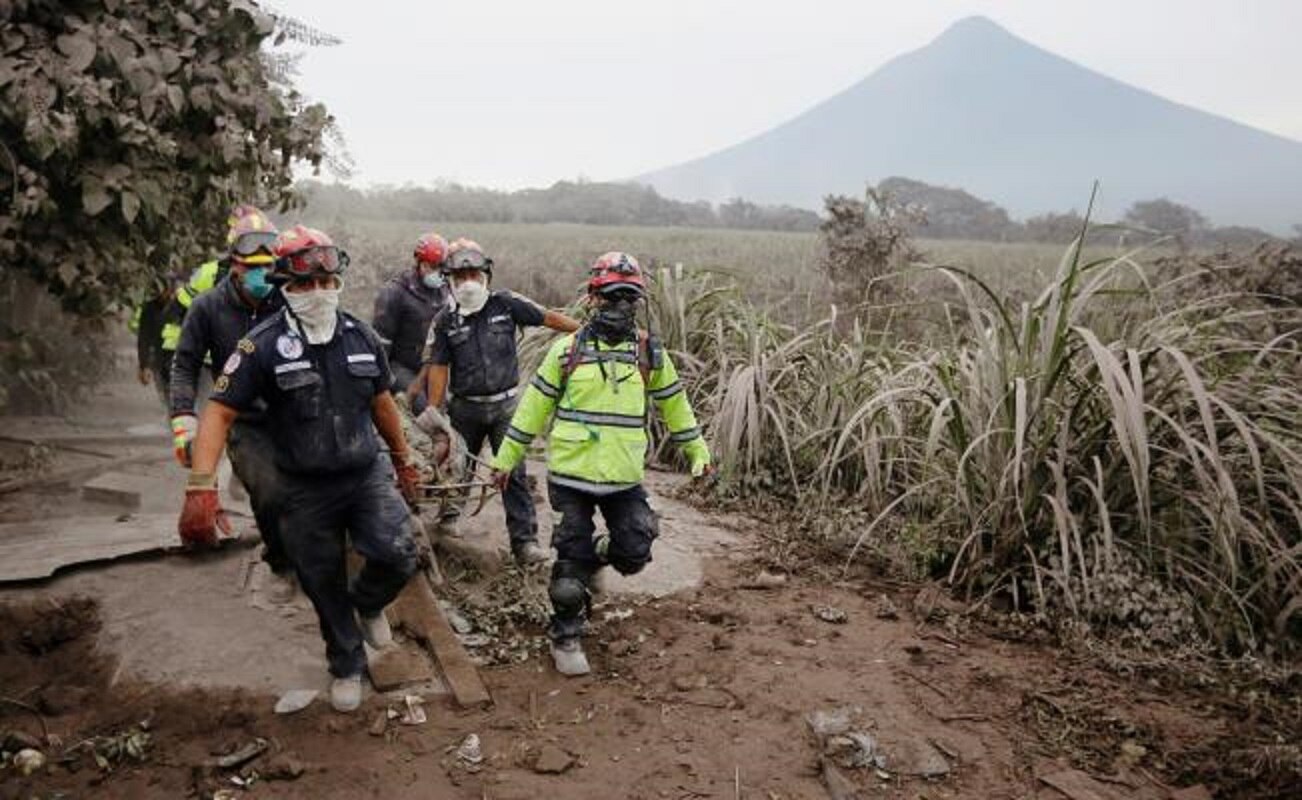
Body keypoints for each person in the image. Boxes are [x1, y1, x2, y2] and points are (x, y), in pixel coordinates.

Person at [177, 225, 422, 713]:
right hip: (304, 487)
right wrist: (201, 486)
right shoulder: (259, 346)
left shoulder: (361, 336)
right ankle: (346, 664)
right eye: (305, 285)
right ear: (285, 287)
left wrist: (403, 459)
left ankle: (369, 601)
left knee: (397, 551)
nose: (318, 294)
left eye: (326, 284)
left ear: (338, 283)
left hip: (363, 473)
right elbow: (220, 411)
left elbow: (383, 406)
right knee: (320, 579)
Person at [489, 252, 712, 676]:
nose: (621, 306)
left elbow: (676, 407)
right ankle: (567, 633)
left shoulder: (649, 355)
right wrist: (505, 460)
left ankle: (591, 555)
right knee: (569, 580)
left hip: (624, 479)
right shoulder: (566, 352)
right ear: (593, 299)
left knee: (635, 549)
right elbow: (531, 410)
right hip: (570, 478)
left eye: (630, 298)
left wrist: (698, 451)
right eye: (612, 297)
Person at [423, 239, 579, 566]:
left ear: (486, 276)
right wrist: (436, 414)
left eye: (474, 274)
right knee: (458, 465)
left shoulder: (506, 305)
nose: (468, 282)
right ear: (450, 280)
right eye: (460, 275)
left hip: (507, 408)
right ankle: (448, 521)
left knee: (514, 473)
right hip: (465, 407)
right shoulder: (444, 321)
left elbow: (547, 318)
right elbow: (438, 367)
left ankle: (525, 544)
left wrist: (585, 334)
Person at [169, 208, 294, 599]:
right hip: (244, 419)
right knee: (270, 492)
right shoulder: (207, 308)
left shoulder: (288, 302)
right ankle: (281, 565)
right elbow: (185, 366)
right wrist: (184, 422)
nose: (262, 277)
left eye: (268, 268)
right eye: (253, 268)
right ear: (235, 266)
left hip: (291, 411)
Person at [372, 232, 452, 414]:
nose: (436, 272)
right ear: (419, 263)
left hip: (433, 366)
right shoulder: (394, 293)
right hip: (401, 366)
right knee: (424, 409)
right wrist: (380, 388)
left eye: (440, 267)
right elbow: (380, 345)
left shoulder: (445, 290)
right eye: (431, 266)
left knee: (449, 409)